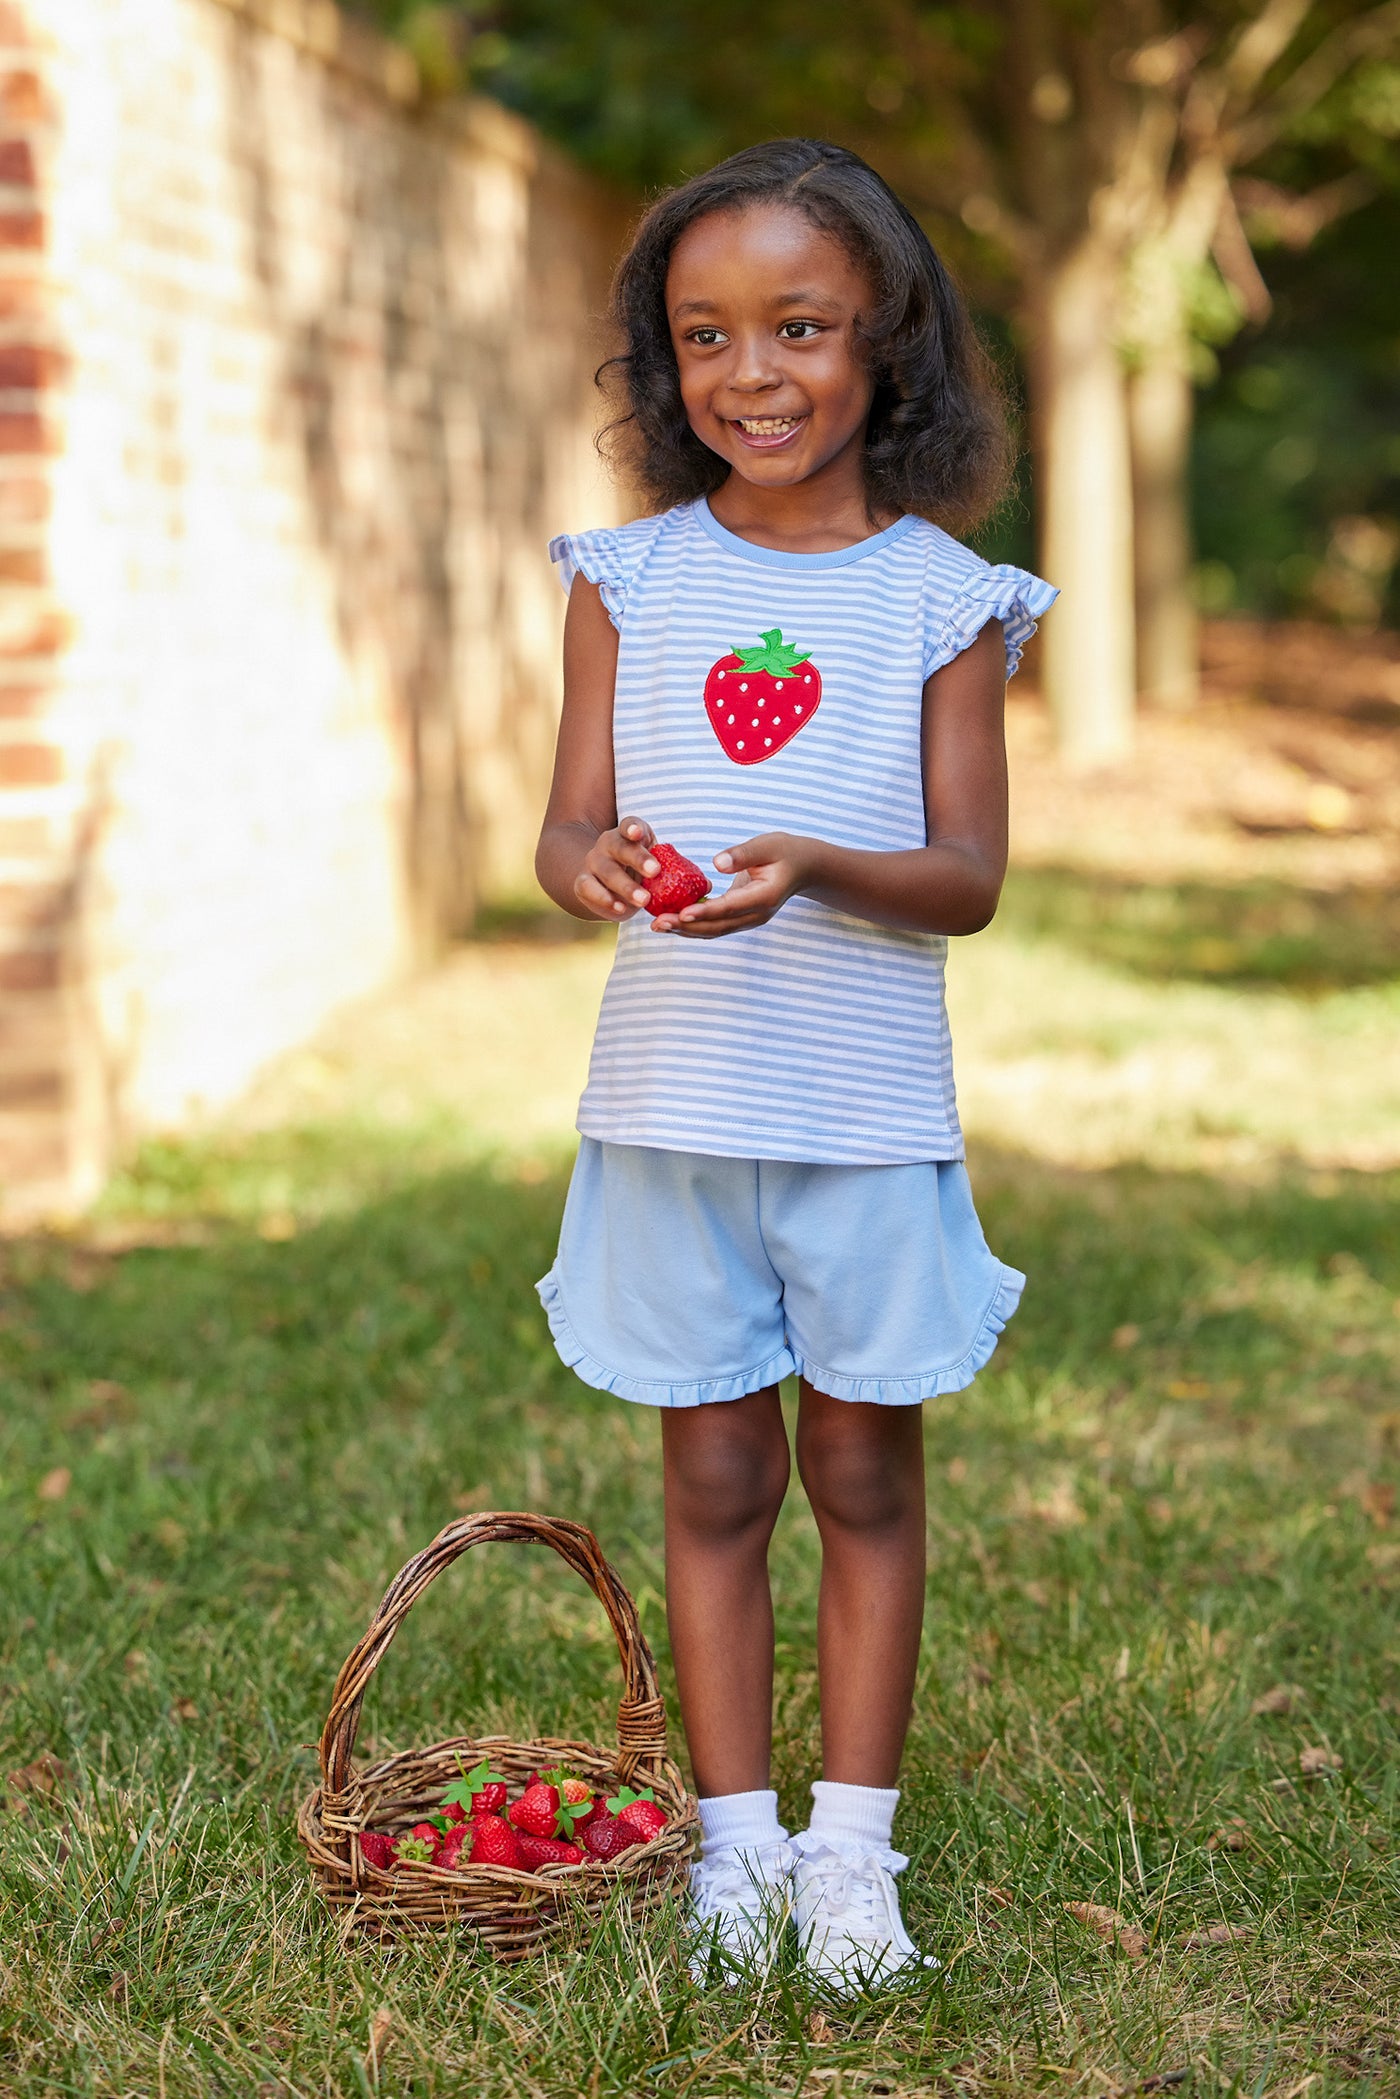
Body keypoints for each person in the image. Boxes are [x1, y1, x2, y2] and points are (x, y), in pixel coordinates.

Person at [533, 138, 1055, 1993]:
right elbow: (568, 825)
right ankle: (732, 1853)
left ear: (886, 343)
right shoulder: (625, 577)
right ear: (663, 367)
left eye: (800, 327)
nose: (752, 375)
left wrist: (820, 865)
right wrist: (591, 863)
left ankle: (852, 1855)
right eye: (705, 337)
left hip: (856, 1109)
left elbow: (970, 879)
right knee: (710, 1485)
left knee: (863, 1472)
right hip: (673, 1106)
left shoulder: (946, 599)